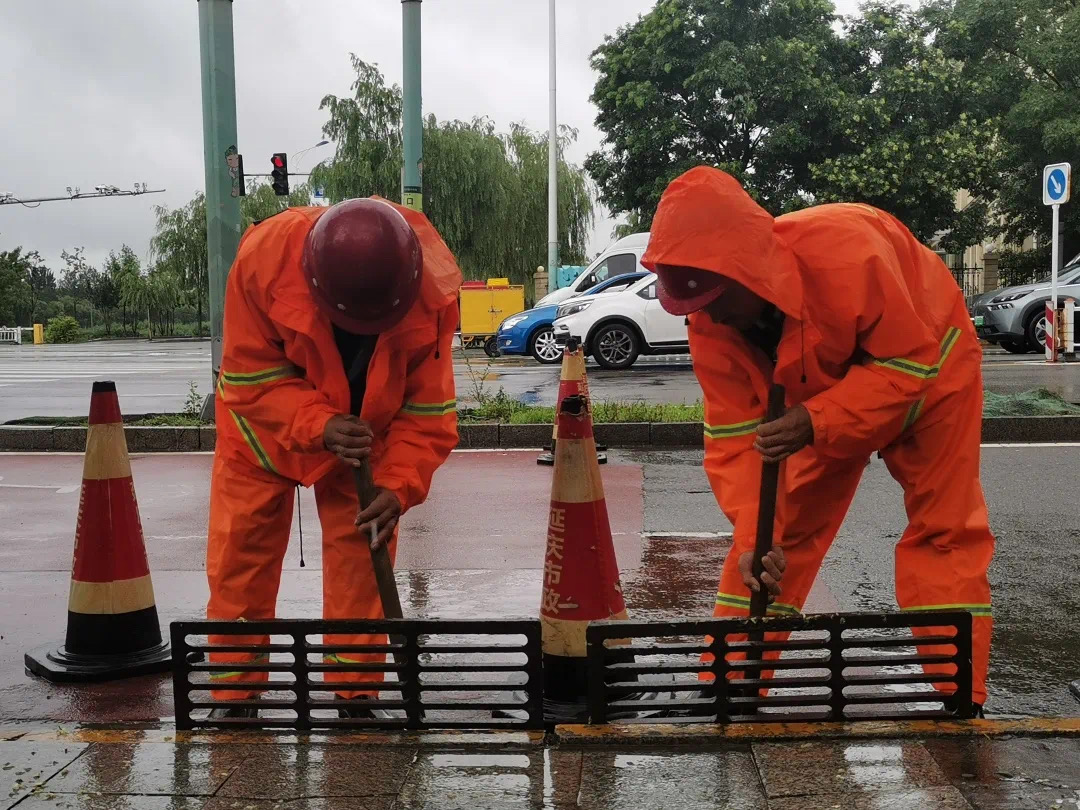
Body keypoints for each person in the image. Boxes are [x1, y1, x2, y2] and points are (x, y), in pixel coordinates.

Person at [641, 166, 994, 713]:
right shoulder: (712, 325)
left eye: (714, 297)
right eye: (694, 304)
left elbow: (910, 364)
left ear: (748, 272)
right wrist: (758, 534)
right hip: (823, 399)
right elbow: (737, 441)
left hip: (931, 372)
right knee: (769, 550)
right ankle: (731, 683)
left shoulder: (851, 250)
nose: (707, 314)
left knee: (944, 532)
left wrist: (816, 420)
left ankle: (960, 692)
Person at [206, 197, 461, 717]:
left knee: (363, 556)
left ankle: (356, 693)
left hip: (367, 441)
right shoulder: (263, 260)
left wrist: (397, 486)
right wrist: (317, 424)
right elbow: (248, 375)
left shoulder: (429, 292)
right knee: (242, 556)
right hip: (262, 436)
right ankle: (234, 695)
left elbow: (428, 411)